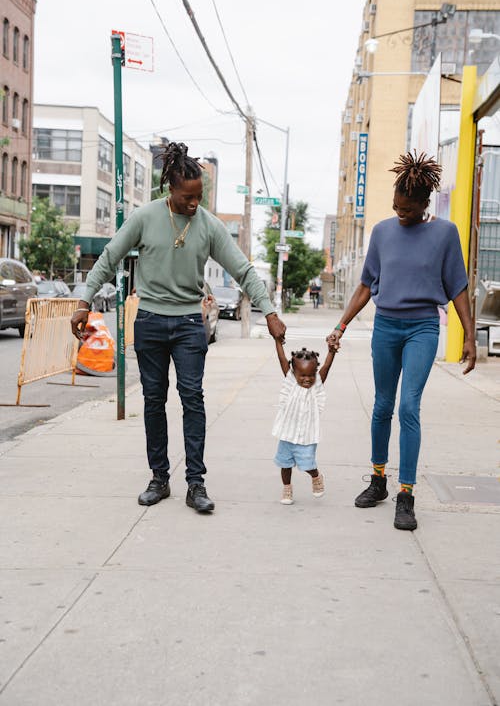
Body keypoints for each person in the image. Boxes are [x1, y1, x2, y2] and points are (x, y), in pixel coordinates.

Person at [71, 142, 286, 513]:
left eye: (199, 196)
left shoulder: (209, 226)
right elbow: (109, 257)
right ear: (170, 188)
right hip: (151, 321)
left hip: (189, 322)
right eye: (188, 196)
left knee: (192, 398)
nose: (194, 203)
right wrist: (83, 301)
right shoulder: (144, 218)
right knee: (154, 400)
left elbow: (243, 269)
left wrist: (268, 311)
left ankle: (196, 483)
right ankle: (159, 478)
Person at [327, 151, 476, 531]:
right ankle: (378, 480)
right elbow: (365, 284)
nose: (400, 214)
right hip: (386, 327)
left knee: (408, 406)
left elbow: (458, 288)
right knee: (381, 406)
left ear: (425, 204)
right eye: (396, 207)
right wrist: (340, 326)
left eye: (407, 209)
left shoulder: (444, 234)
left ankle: (405, 495)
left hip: (422, 328)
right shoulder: (382, 232)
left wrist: (470, 337)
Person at [272, 341, 335, 505]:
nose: (307, 379)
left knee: (308, 464)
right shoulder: (291, 381)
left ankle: (316, 476)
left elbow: (326, 369)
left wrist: (331, 352)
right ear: (294, 373)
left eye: (311, 375)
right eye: (303, 375)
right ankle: (287, 488)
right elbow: (282, 359)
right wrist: (278, 342)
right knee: (285, 464)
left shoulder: (316, 385)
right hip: (287, 433)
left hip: (307, 435)